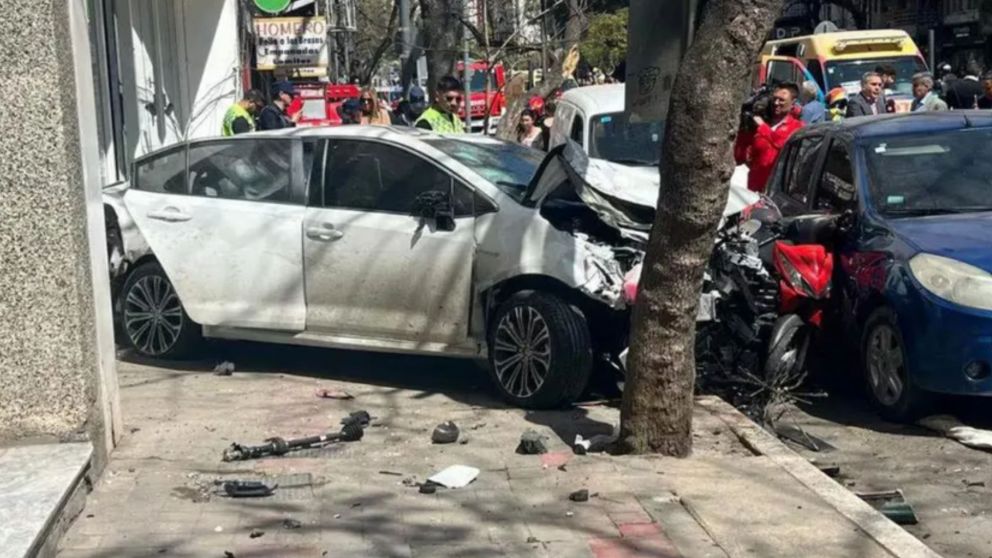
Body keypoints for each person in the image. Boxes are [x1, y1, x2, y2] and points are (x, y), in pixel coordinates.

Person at [733, 82, 804, 193]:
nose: (776, 103)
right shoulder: (763, 121)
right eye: (775, 99)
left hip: (777, 190)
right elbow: (741, 155)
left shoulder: (797, 126)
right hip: (754, 186)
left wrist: (763, 127)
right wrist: (744, 129)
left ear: (793, 103)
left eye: (781, 100)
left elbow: (782, 143)